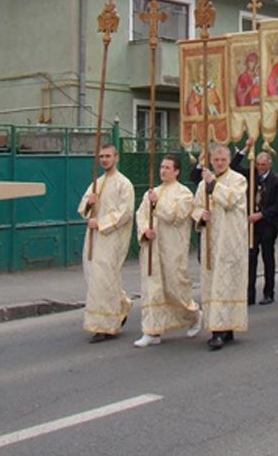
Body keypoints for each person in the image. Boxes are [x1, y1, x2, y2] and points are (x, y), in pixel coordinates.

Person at [134, 155, 203, 348]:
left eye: (167, 167)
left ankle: (194, 314)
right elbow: (141, 214)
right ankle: (152, 331)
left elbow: (177, 216)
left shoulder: (184, 194)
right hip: (152, 248)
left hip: (173, 249)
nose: (163, 170)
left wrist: (158, 205)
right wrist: (144, 231)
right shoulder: (152, 192)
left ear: (177, 171)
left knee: (175, 288)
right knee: (152, 289)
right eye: (162, 167)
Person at [193, 144, 248, 350]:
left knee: (228, 284)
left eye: (223, 160)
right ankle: (216, 328)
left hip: (230, 240)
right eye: (215, 160)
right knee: (213, 284)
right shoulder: (202, 184)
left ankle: (227, 327)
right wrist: (200, 216)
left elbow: (231, 200)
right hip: (210, 240)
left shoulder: (238, 180)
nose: (219, 163)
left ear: (228, 159)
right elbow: (196, 206)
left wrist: (213, 184)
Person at [78, 143, 134, 343]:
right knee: (94, 277)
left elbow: (125, 212)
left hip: (112, 237)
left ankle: (106, 326)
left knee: (105, 278)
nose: (104, 159)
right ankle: (121, 305)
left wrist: (101, 222)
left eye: (108, 156)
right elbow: (82, 206)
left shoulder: (124, 184)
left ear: (116, 158)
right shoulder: (96, 183)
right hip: (93, 237)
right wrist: (89, 204)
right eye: (101, 156)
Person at [231, 138, 278, 305]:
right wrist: (245, 149)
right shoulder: (251, 175)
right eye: (258, 165)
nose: (260, 168)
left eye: (263, 165)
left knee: (268, 257)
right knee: (250, 257)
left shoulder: (277, 180)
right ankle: (249, 293)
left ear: (269, 164)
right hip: (252, 223)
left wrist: (262, 214)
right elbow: (233, 167)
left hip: (267, 223)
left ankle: (269, 292)